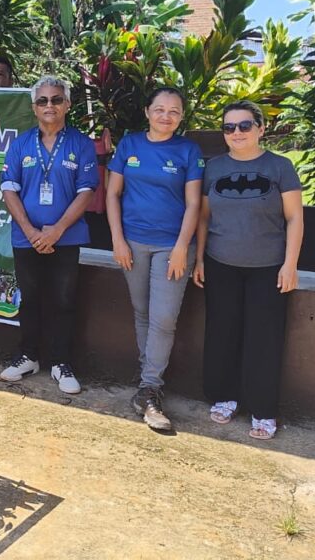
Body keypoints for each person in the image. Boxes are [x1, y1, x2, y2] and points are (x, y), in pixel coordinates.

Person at [192, 101, 303, 441]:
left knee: (263, 339)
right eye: (229, 127)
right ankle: (224, 396)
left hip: (267, 268)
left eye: (243, 126)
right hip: (220, 262)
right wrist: (199, 259)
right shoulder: (213, 168)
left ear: (260, 128)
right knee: (222, 333)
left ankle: (263, 408)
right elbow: (204, 218)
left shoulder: (280, 167)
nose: (236, 133)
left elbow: (295, 217)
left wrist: (290, 263)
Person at [106, 87, 204, 431]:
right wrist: (117, 239)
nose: (166, 116)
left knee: (163, 318)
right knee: (143, 313)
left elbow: (194, 204)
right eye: (160, 109)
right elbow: (113, 194)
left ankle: (150, 388)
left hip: (171, 247)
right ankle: (147, 384)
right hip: (132, 242)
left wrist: (181, 247)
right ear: (147, 112)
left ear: (181, 117)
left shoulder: (188, 150)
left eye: (174, 111)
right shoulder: (129, 145)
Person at [0, 76, 98, 392]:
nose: (49, 106)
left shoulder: (81, 144)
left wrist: (56, 231)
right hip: (25, 238)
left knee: (63, 300)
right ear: (34, 107)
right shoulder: (20, 143)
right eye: (43, 101)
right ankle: (28, 356)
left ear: (67, 104)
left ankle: (60, 362)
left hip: (65, 238)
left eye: (56, 99)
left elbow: (86, 192)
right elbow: (9, 189)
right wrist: (30, 231)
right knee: (29, 299)